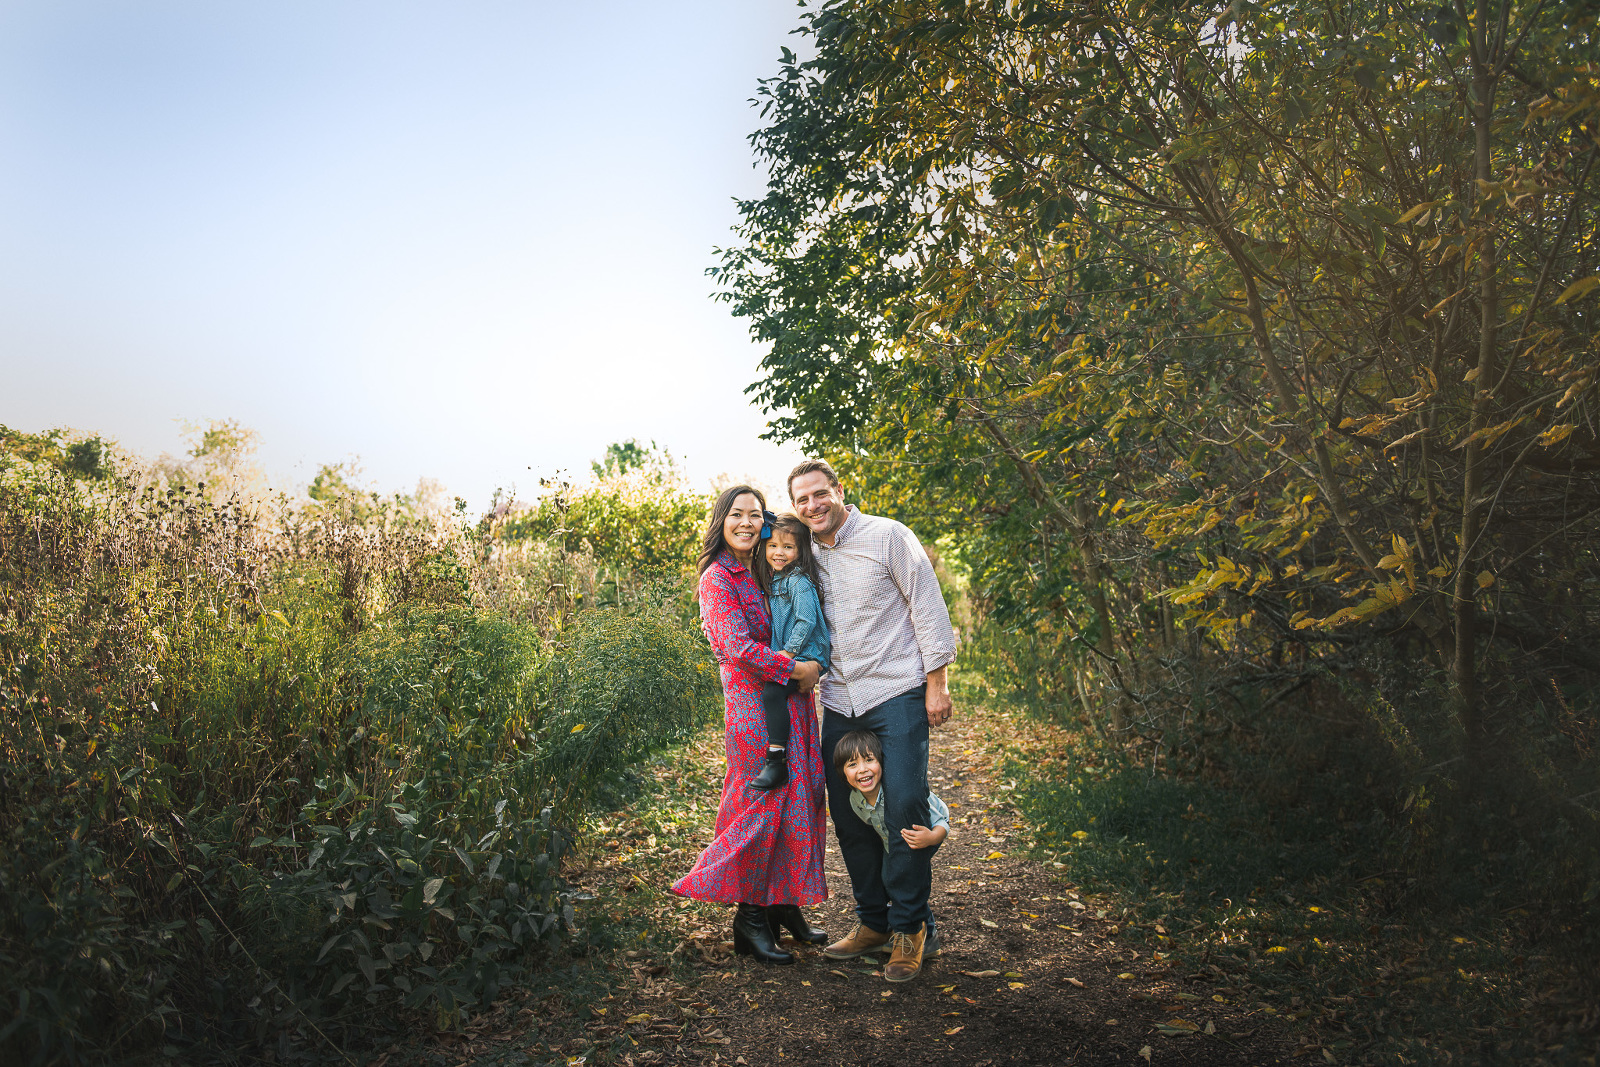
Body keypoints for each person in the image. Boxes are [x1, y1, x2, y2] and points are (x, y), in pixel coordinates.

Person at [789, 459, 958, 984]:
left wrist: (937, 684)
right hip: (840, 699)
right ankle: (874, 922)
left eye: (820, 495)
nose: (813, 506)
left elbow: (927, 606)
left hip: (897, 691)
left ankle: (911, 929)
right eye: (802, 501)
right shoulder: (806, 554)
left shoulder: (888, 537)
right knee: (848, 811)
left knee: (903, 805)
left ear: (840, 491)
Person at [670, 485, 829, 965]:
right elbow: (739, 649)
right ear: (721, 520)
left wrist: (803, 674)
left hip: (792, 704)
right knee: (763, 806)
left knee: (802, 800)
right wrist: (800, 671)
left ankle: (784, 903)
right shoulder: (718, 578)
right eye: (736, 514)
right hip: (754, 709)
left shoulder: (763, 566)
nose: (746, 523)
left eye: (755, 515)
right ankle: (750, 918)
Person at [750, 514, 832, 791]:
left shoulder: (798, 581)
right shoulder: (776, 580)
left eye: (788, 547)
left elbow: (806, 620)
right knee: (773, 693)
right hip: (793, 652)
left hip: (806, 652)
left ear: (800, 551)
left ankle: (776, 760)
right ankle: (777, 758)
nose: (779, 553)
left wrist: (788, 652)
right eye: (773, 546)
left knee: (773, 692)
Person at [834, 730, 950, 878]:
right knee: (888, 876)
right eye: (852, 764)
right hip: (891, 842)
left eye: (869, 760)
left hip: (929, 831)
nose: (862, 769)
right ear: (842, 773)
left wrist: (932, 838)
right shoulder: (855, 800)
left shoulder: (899, 792)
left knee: (911, 874)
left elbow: (941, 822)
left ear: (881, 762)